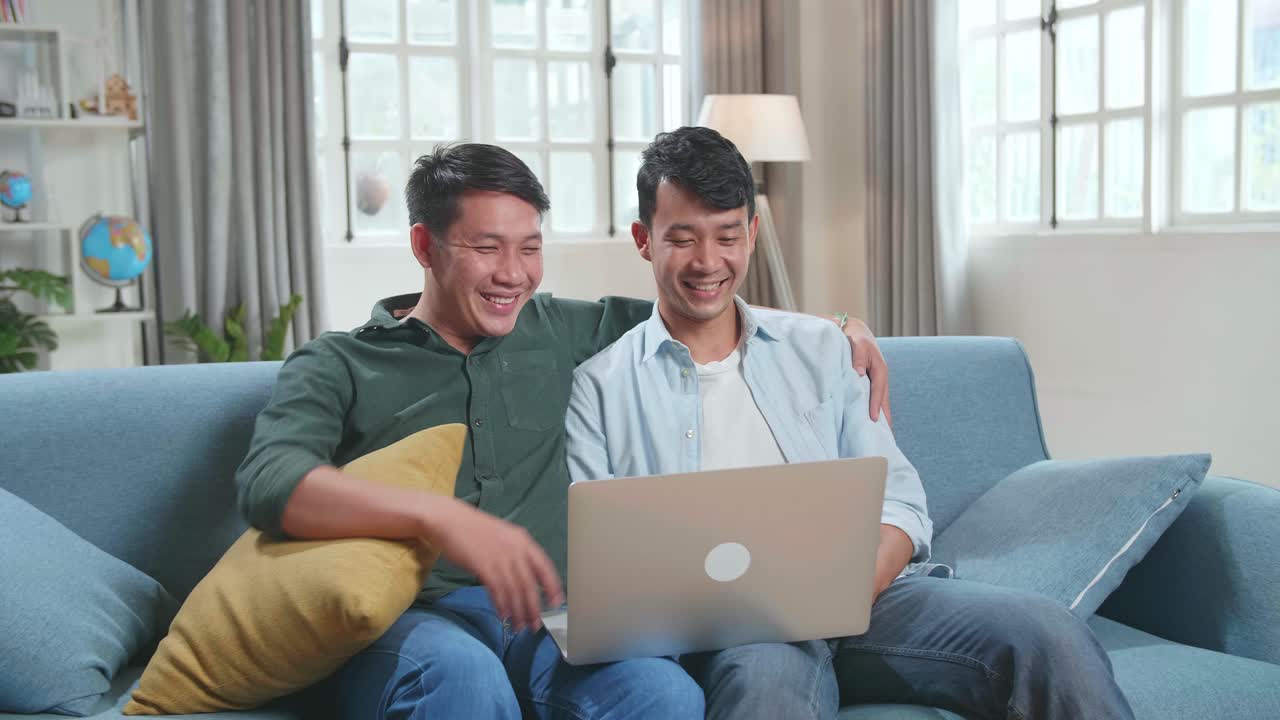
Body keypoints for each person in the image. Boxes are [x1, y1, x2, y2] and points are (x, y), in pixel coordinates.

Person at [235, 141, 889, 719]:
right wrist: (435, 519)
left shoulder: (559, 331)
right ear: (423, 246)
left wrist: (831, 328)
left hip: (554, 622)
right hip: (411, 622)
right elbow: (271, 482)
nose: (513, 273)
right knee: (461, 682)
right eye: (486, 248)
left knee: (665, 697)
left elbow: (701, 306)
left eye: (530, 248)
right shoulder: (339, 363)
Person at [564, 126, 1136, 720]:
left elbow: (902, 504)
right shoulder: (601, 387)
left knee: (1045, 629)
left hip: (871, 599)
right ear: (643, 239)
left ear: (753, 234)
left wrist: (840, 590)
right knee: (767, 692)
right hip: (740, 636)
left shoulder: (822, 347)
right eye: (682, 240)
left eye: (727, 236)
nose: (708, 262)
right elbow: (606, 571)